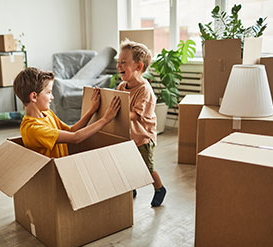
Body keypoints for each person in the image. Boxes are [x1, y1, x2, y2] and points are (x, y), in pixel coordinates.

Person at [13, 67, 121, 158]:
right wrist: (106, 119)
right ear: (34, 96)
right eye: (49, 92)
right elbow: (75, 137)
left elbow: (71, 130)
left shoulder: (47, 114)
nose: (52, 97)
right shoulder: (33, 129)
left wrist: (92, 110)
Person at [116, 40, 166, 207]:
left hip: (143, 137)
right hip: (129, 136)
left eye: (123, 62)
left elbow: (135, 115)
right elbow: (115, 103)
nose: (119, 66)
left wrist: (115, 114)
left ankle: (159, 188)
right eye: (118, 62)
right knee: (128, 163)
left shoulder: (144, 89)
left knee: (146, 167)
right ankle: (132, 188)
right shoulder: (122, 86)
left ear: (138, 66)